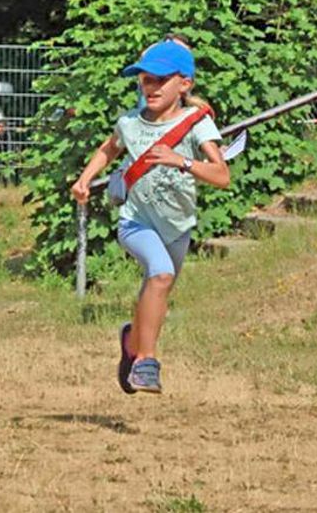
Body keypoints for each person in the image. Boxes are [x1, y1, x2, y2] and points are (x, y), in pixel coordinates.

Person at [70, 40, 230, 394]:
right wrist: (84, 179)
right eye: (145, 80)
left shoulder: (195, 123)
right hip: (135, 222)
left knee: (156, 286)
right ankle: (146, 362)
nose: (151, 87)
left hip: (177, 227)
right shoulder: (129, 122)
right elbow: (108, 149)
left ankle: (131, 340)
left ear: (184, 84)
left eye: (160, 79)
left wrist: (182, 161)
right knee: (159, 275)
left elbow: (222, 176)